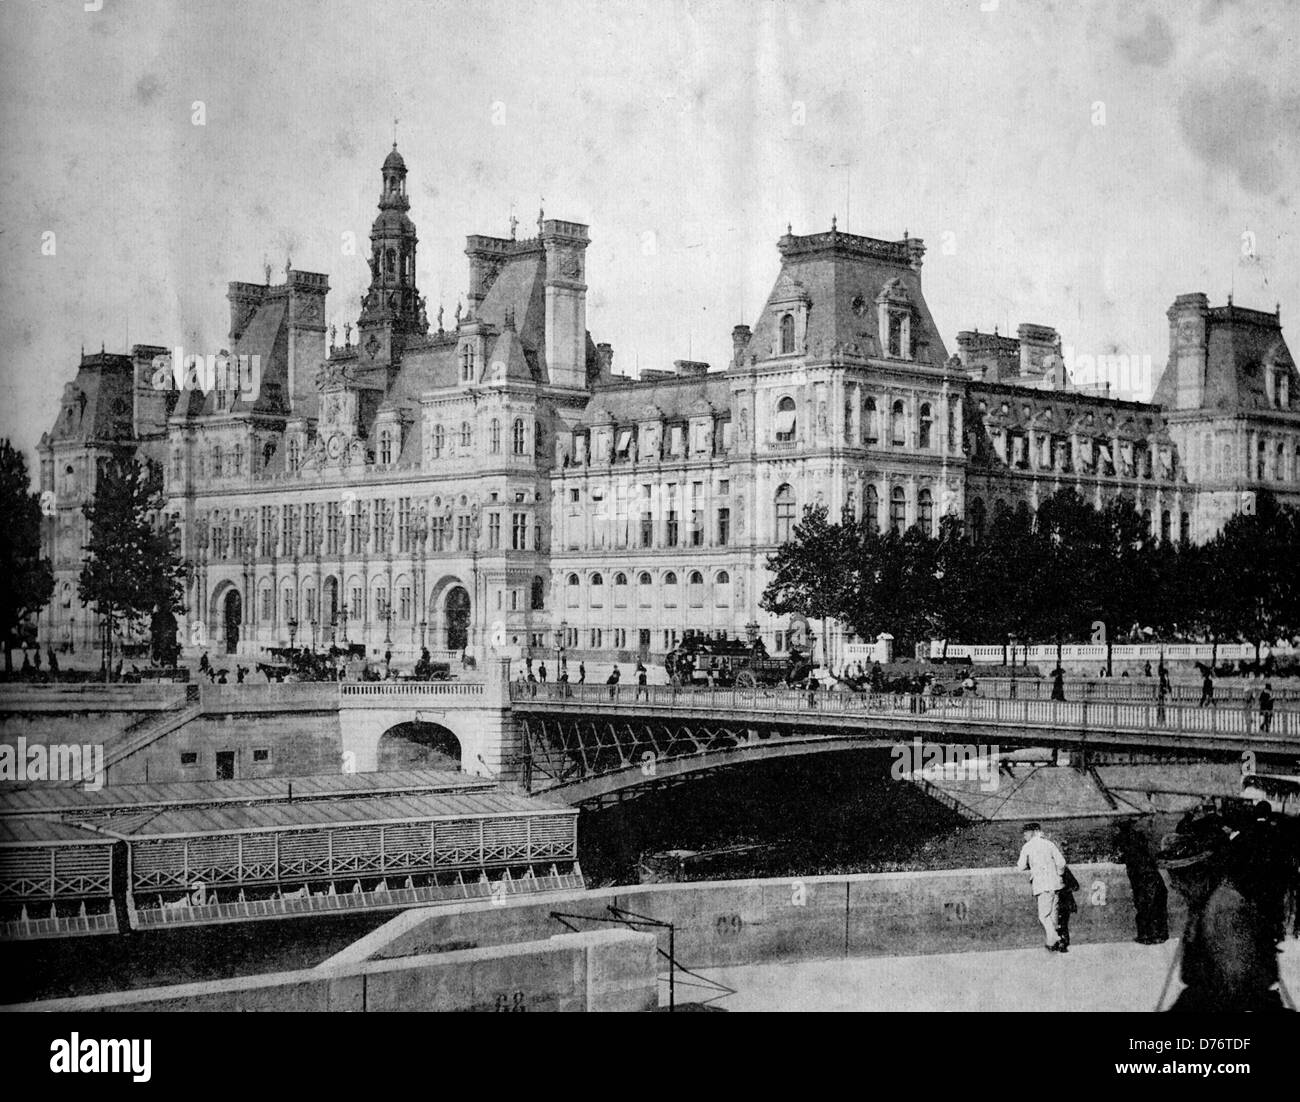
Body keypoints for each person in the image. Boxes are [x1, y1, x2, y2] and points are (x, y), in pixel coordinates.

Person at [1158, 813, 1288, 1012]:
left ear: (1198, 873)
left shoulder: (1223, 909)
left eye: (1179, 877)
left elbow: (1236, 986)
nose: (1174, 885)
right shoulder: (1203, 905)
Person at [1016, 822, 1068, 952]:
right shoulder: (1049, 844)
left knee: (1043, 916)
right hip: (1056, 884)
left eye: (1026, 833)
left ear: (1032, 832)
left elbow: (1021, 866)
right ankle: (1052, 943)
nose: (1024, 836)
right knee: (1052, 914)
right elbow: (1061, 863)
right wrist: (1059, 875)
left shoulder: (1027, 847)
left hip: (1042, 885)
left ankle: (1056, 938)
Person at [1117, 820, 1169, 944]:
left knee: (1144, 905)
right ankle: (1160, 934)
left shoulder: (1122, 840)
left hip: (1140, 876)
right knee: (1158, 903)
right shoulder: (1139, 837)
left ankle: (1146, 935)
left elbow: (1120, 857)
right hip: (1151, 873)